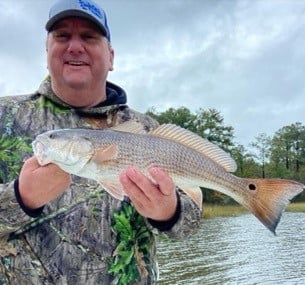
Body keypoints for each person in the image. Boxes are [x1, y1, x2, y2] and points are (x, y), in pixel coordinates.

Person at [0, 0, 202, 284]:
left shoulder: (148, 131)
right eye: (62, 36)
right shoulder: (4, 116)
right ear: (47, 52)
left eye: (89, 37)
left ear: (110, 57)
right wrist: (20, 198)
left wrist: (169, 213)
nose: (74, 46)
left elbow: (189, 228)